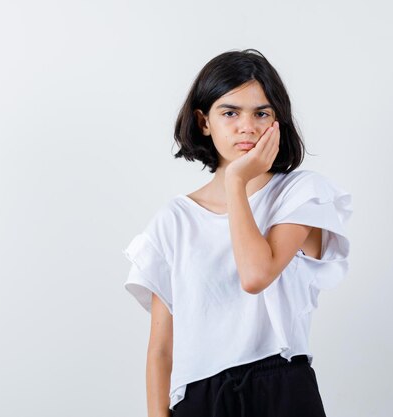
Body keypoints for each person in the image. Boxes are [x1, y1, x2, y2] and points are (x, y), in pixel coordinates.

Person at [122, 49, 353, 417]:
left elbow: (256, 274)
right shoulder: (174, 221)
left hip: (280, 387)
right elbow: (161, 348)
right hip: (201, 398)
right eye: (230, 113)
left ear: (278, 122)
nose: (247, 126)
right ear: (203, 122)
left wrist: (235, 181)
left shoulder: (301, 194)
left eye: (262, 113)